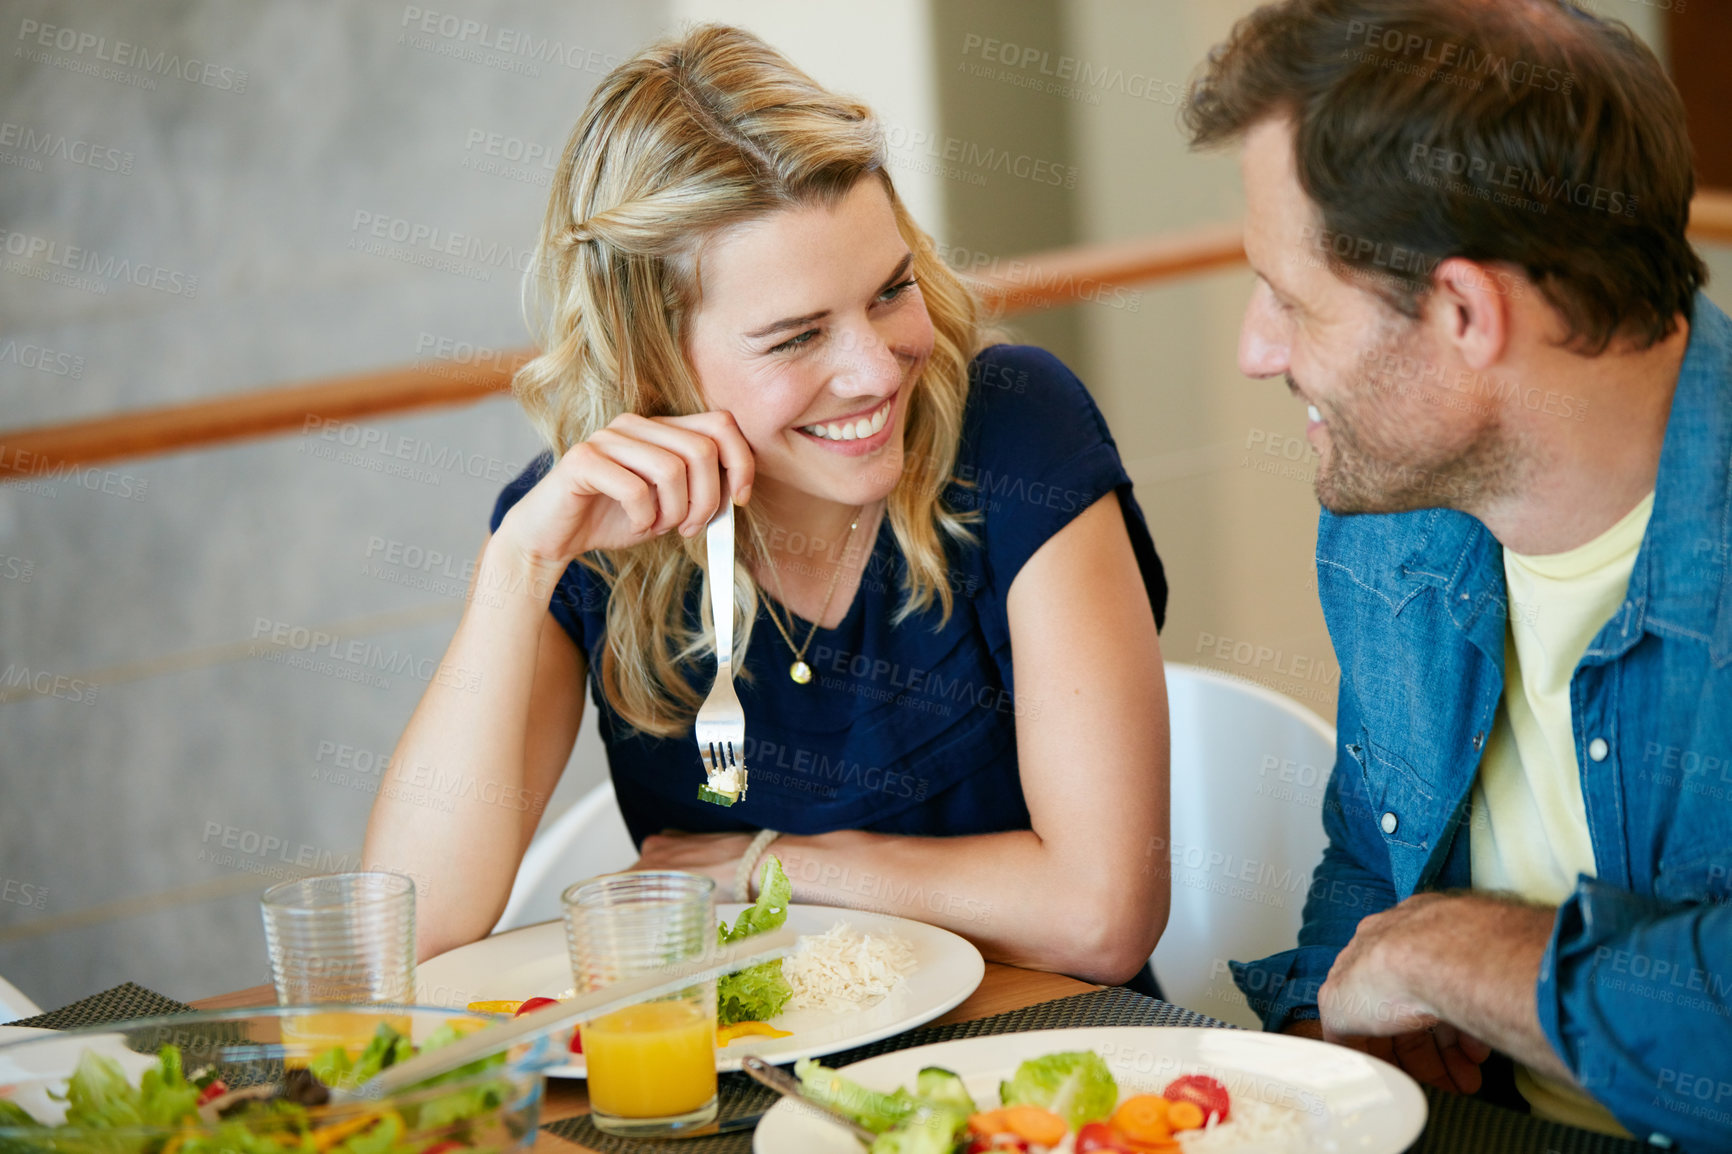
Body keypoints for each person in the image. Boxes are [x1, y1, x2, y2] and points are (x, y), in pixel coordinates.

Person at [362, 24, 1171, 989]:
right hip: (745, 1087)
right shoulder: (582, 527)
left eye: (890, 291)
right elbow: (401, 943)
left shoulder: (1014, 431)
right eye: (795, 339)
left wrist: (769, 866)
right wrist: (515, 572)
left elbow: (1102, 918)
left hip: (1036, 1095)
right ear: (650, 356)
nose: (875, 371)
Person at [1182, 0, 1732, 1145]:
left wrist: (1444, 951)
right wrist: (1329, 1039)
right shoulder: (1396, 510)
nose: (1255, 349)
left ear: (1463, 311)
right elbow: (1371, 864)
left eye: (1290, 299)